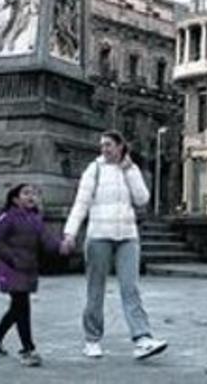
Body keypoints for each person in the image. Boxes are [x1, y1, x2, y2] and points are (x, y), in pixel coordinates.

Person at [61, 130, 168, 361]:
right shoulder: (94, 169)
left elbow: (142, 199)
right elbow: (81, 203)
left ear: (120, 146)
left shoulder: (132, 169)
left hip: (128, 237)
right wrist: (70, 233)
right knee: (95, 289)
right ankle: (92, 340)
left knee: (131, 288)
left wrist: (129, 171)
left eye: (109, 145)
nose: (104, 149)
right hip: (99, 235)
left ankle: (142, 339)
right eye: (102, 146)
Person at [0, 183, 64, 367]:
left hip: (28, 268)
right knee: (22, 308)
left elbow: (47, 239)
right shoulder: (8, 217)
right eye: (26, 193)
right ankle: (27, 349)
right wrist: (11, 258)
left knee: (16, 309)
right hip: (12, 268)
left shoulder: (35, 218)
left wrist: (61, 246)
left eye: (34, 193)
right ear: (15, 198)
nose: (31, 196)